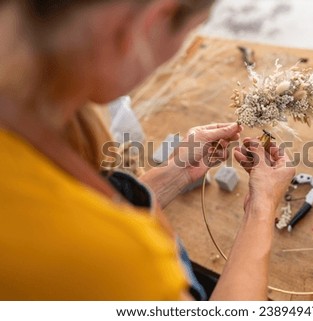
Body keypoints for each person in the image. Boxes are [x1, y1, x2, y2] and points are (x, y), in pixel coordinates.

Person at [0, 0, 294, 300]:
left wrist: (175, 173)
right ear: (152, 22)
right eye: (191, 32)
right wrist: (262, 205)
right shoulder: (124, 262)